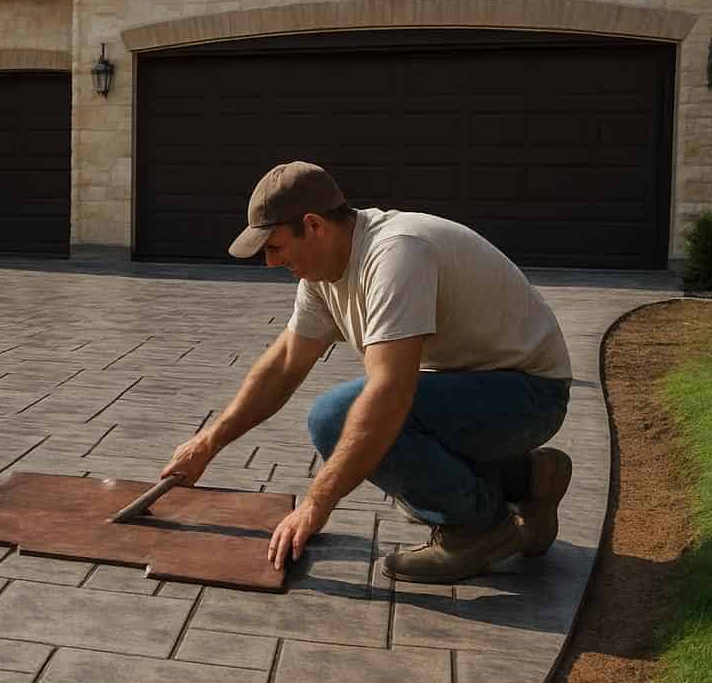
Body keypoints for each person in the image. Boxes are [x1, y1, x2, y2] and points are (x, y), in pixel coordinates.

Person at [159, 161, 575, 584]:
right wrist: (207, 443)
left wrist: (316, 503)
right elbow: (285, 364)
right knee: (388, 457)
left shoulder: (396, 254)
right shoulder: (323, 272)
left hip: (530, 395)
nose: (268, 262)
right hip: (478, 389)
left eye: (275, 247)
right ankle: (525, 482)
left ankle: (478, 531)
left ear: (314, 225)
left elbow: (391, 391)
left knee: (336, 417)